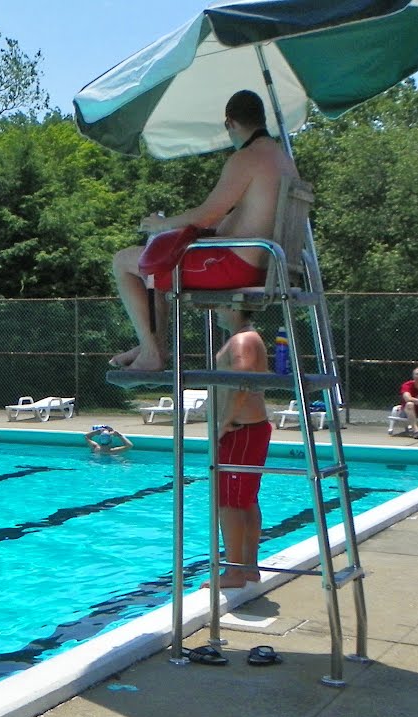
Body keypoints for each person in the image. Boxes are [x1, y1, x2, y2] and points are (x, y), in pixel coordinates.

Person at [110, 90, 301, 372]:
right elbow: (237, 218)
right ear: (262, 120)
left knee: (125, 261)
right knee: (154, 267)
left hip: (235, 267)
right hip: (270, 266)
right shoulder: (284, 161)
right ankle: (152, 345)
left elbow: (206, 215)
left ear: (230, 123)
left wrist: (162, 224)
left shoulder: (247, 158)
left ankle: (152, 350)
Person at [210, 307, 271, 589]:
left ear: (234, 307)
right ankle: (248, 567)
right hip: (248, 429)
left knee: (230, 502)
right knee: (245, 499)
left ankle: (234, 571)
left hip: (240, 430)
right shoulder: (247, 337)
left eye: (221, 305)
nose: (216, 310)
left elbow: (242, 381)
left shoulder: (242, 340)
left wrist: (224, 423)